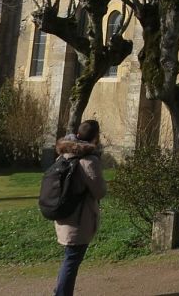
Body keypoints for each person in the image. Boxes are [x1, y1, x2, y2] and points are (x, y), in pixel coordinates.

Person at [53, 120, 107, 296]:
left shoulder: (64, 155)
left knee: (70, 257)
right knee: (72, 260)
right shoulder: (88, 160)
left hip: (63, 212)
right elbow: (99, 192)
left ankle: (60, 290)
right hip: (79, 218)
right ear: (95, 137)